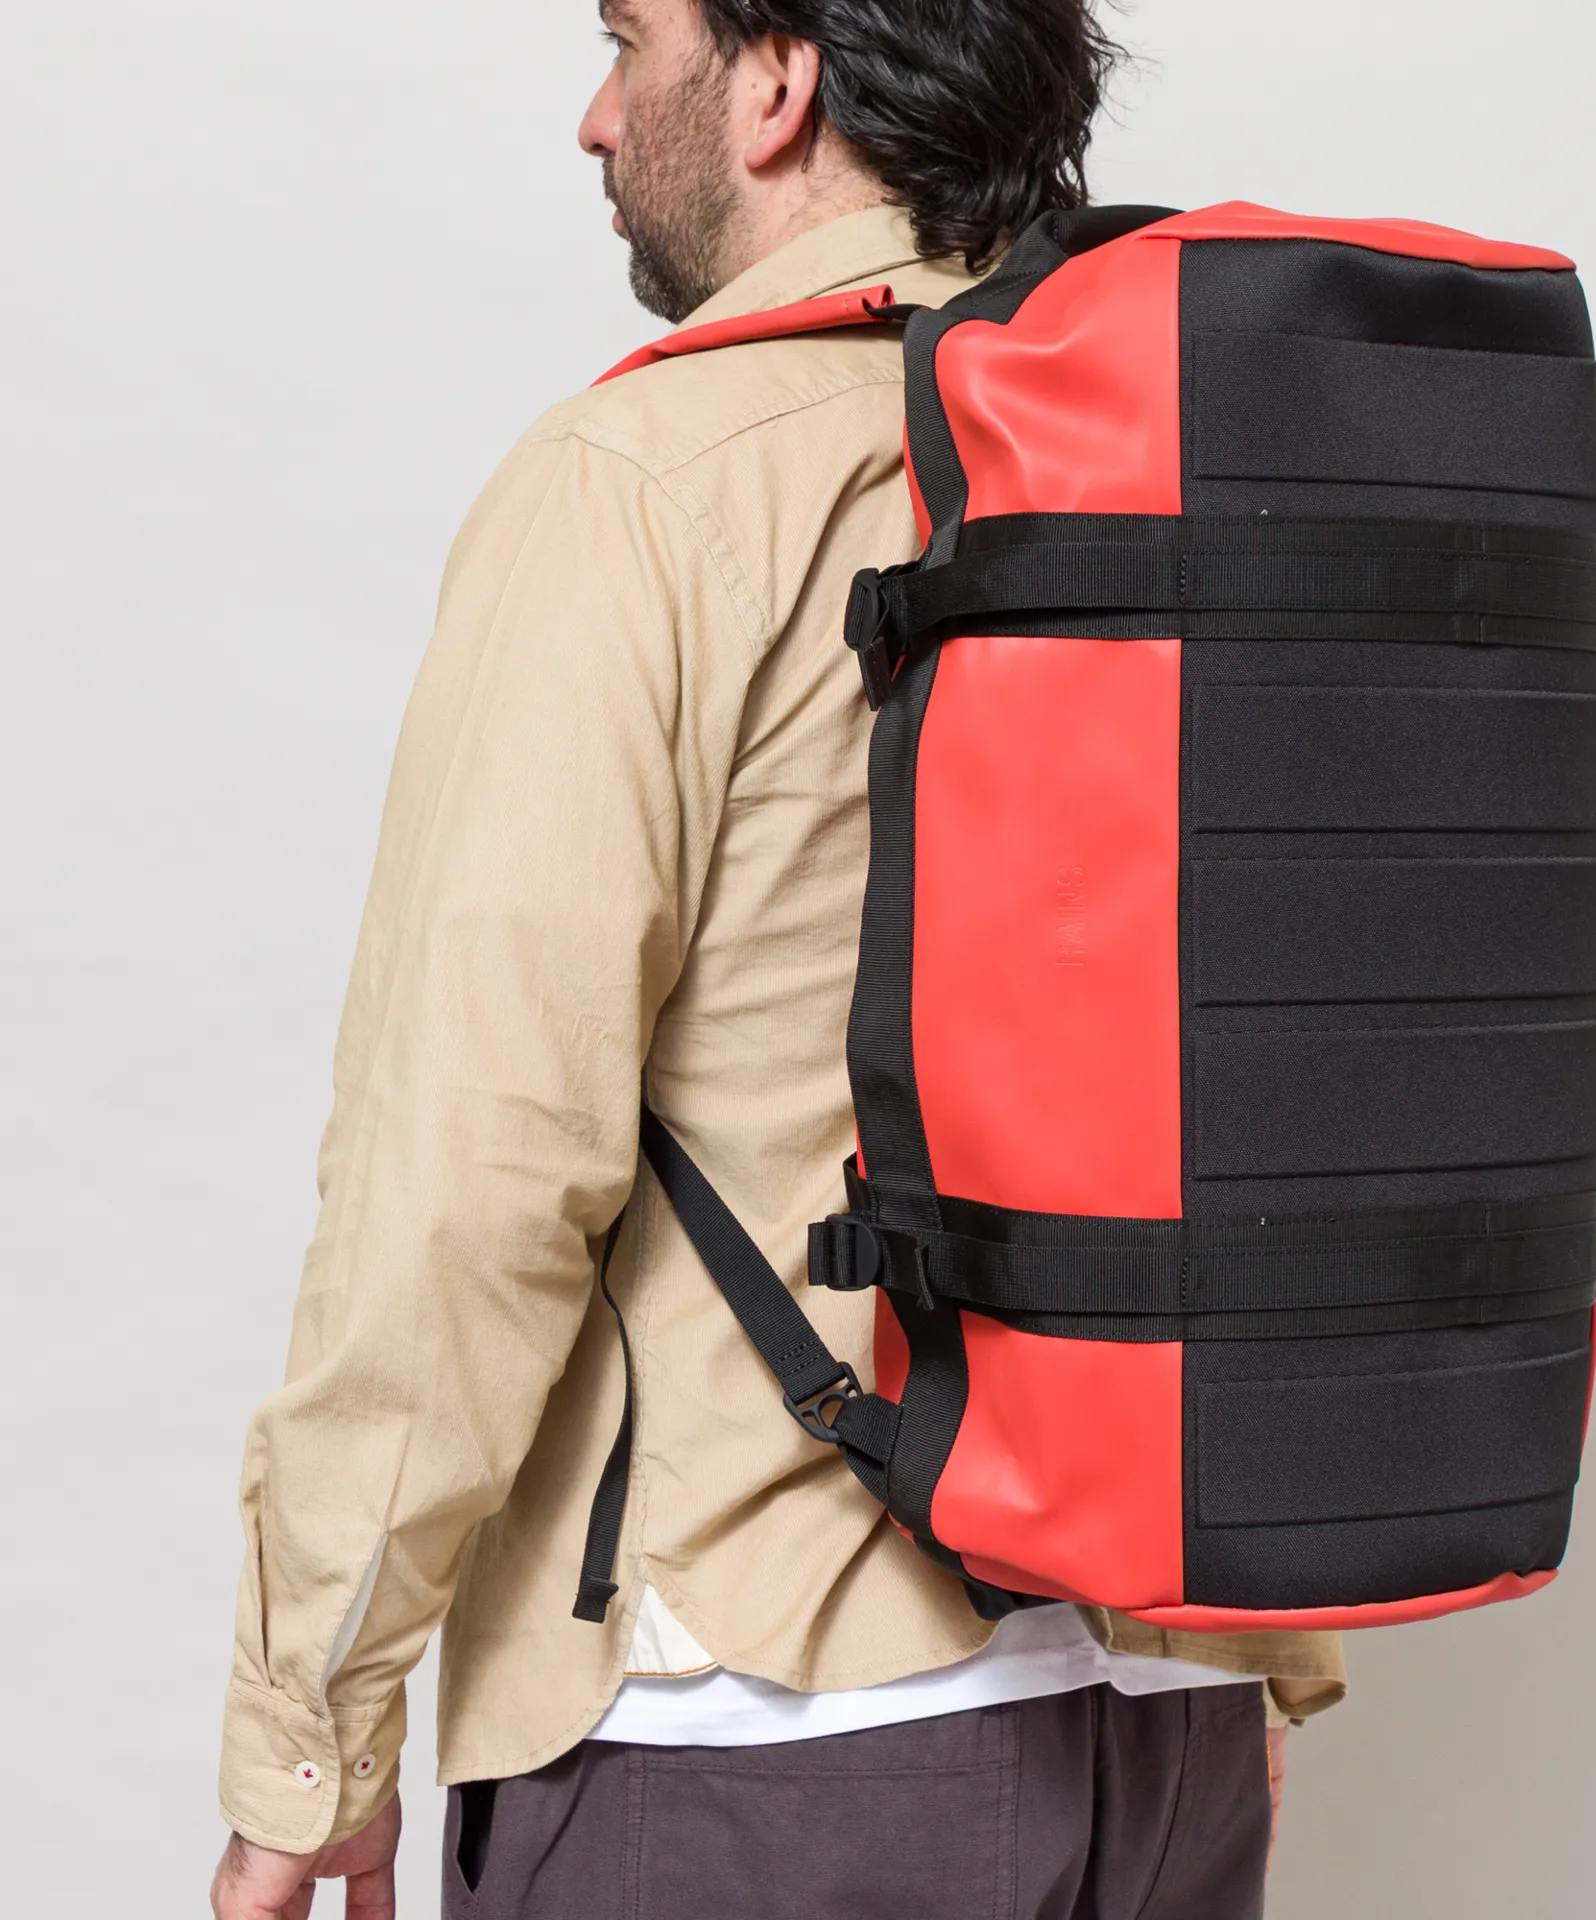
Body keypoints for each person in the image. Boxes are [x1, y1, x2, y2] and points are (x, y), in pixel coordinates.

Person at [208, 4, 1347, 1915]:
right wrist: (1265, 1660)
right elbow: (1293, 1049)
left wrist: (312, 1726)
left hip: (754, 1731)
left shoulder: (646, 480)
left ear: (776, 78)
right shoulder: (1182, 459)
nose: (596, 116)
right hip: (1168, 1708)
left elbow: (466, 1174)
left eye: (628, 38)